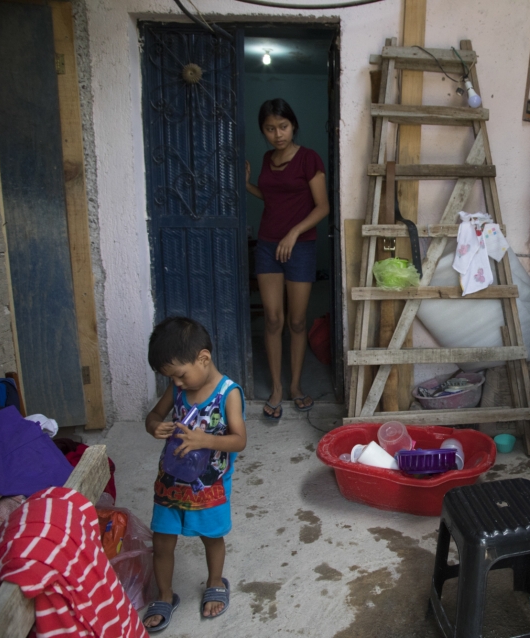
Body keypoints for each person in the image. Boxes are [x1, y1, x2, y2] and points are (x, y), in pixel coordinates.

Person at [142, 316, 247, 632]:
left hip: (208, 486)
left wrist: (206, 440)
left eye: (180, 375)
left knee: (212, 537)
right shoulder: (177, 391)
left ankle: (215, 581)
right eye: (170, 378)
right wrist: (154, 426)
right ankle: (164, 595)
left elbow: (239, 440)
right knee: (162, 540)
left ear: (203, 358)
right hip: (171, 482)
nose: (176, 383)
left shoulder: (228, 393)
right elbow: (153, 415)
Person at [246, 98, 330, 420]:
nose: (277, 134)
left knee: (296, 321)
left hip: (300, 247)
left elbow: (322, 206)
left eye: (283, 126)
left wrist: (294, 233)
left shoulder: (309, 158)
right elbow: (273, 197)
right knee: (272, 319)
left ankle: (295, 385)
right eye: (270, 129)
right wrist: (247, 186)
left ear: (293, 125)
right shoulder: (267, 159)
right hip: (268, 245)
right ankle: (277, 389)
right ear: (263, 131)